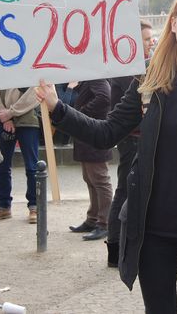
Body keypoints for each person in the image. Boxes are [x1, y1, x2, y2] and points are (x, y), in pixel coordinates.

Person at [35, 0, 177, 313]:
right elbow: (106, 132)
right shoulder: (150, 79)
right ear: (173, 23)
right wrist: (57, 107)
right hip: (152, 224)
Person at [105, 20, 154, 266]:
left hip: (135, 137)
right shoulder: (130, 72)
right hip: (131, 138)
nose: (151, 42)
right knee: (125, 191)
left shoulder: (138, 68)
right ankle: (114, 247)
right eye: (147, 39)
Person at [67, 79, 113, 240]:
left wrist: (81, 113)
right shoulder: (91, 77)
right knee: (90, 179)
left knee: (99, 180)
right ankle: (93, 219)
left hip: (94, 133)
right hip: (89, 134)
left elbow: (105, 97)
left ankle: (104, 223)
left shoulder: (97, 77)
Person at [0, 87, 41, 224]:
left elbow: (34, 93)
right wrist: (3, 116)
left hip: (28, 119)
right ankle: (3, 205)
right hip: (3, 119)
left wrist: (10, 113)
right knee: (2, 165)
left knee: (32, 167)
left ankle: (34, 206)